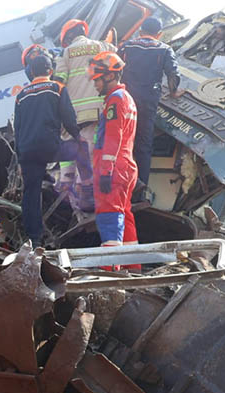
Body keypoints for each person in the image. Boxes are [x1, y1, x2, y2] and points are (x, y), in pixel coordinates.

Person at [13, 45, 83, 246]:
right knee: (80, 152)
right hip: (51, 148)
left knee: (31, 193)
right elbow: (68, 119)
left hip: (28, 152)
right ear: (50, 71)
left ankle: (34, 239)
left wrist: (19, 159)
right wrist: (79, 139)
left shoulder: (21, 95)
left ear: (32, 72)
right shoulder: (57, 88)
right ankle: (88, 196)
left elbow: (18, 129)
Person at [53, 19, 118, 213]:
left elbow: (59, 83)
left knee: (74, 147)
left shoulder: (66, 53)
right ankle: (88, 192)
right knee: (91, 149)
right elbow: (117, 56)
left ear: (68, 37)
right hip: (97, 109)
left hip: (73, 113)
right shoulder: (101, 46)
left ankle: (77, 188)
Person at [118, 16, 181, 188]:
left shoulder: (126, 46)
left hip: (124, 99)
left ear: (140, 31)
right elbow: (173, 74)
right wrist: (174, 92)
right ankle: (140, 188)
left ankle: (115, 181)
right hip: (148, 102)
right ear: (159, 34)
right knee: (143, 145)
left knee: (120, 140)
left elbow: (113, 68)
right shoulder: (165, 49)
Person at [89, 52, 139, 256]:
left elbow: (113, 136)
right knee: (124, 217)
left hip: (114, 168)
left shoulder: (115, 100)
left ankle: (111, 269)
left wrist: (106, 170)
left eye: (97, 80)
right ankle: (132, 266)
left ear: (109, 76)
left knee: (109, 217)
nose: (95, 85)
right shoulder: (125, 98)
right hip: (125, 166)